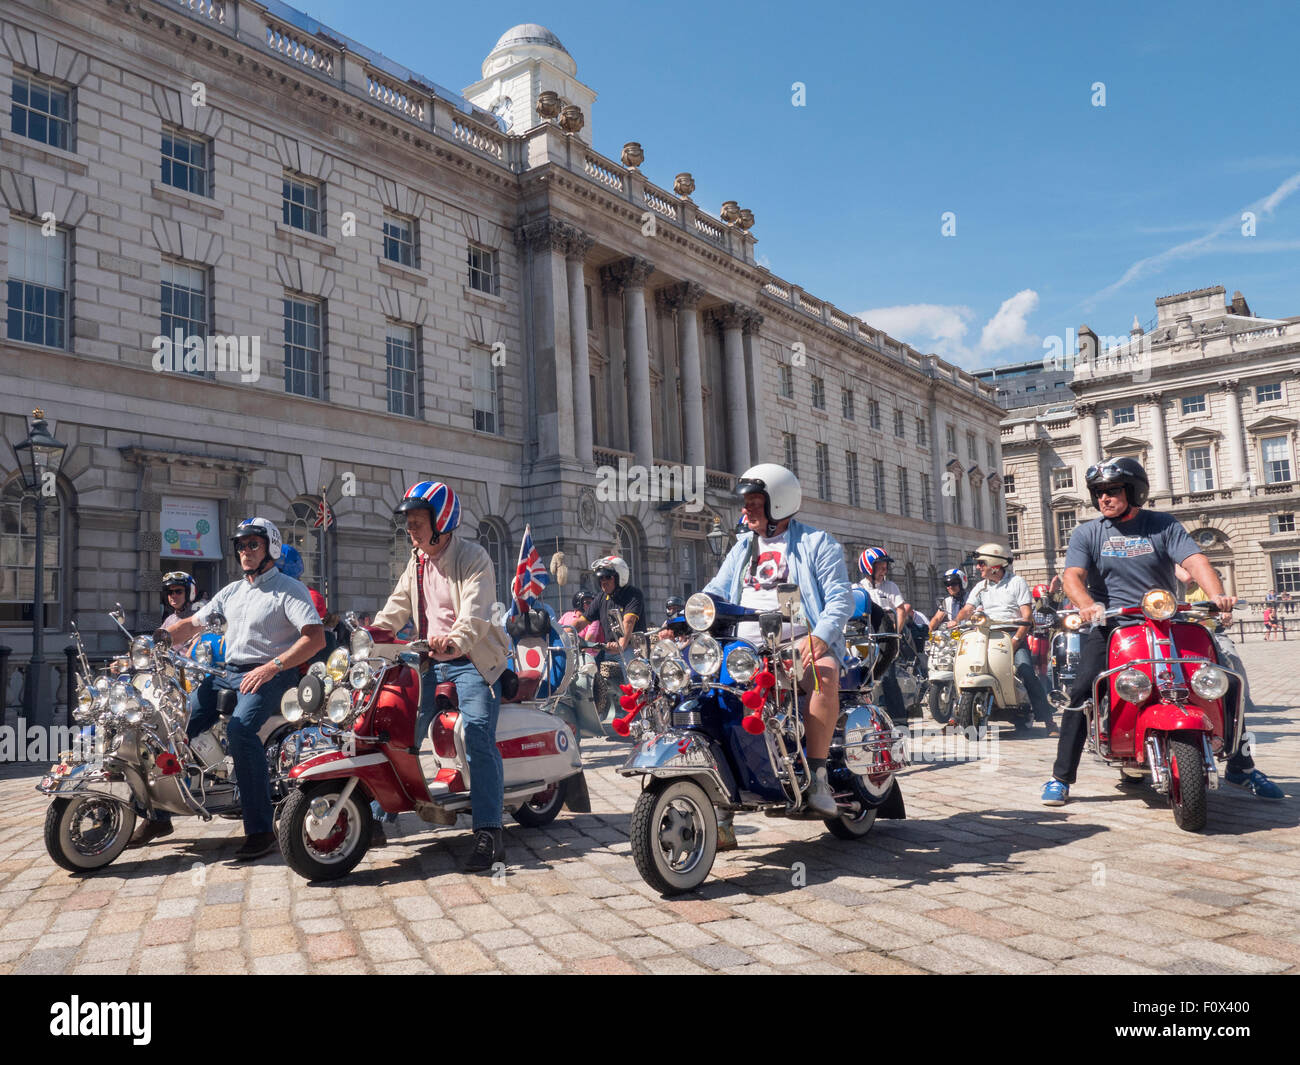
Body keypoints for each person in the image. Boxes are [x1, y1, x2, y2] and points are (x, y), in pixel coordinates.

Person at [1040, 458, 1280, 804]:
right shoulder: (1087, 533)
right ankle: (1061, 776)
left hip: (1169, 622)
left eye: (1112, 491)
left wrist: (1217, 597)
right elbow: (1072, 577)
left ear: (1134, 491)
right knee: (1082, 692)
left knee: (1225, 681)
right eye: (1099, 493)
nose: (1104, 498)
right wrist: (1087, 604)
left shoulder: (1163, 525)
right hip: (1113, 625)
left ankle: (1241, 767)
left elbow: (1194, 561)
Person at [152, 518, 324, 858]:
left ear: (270, 547)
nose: (245, 551)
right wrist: (155, 641)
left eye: (253, 545)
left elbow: (315, 637)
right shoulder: (232, 590)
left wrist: (272, 666)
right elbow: (191, 624)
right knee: (171, 723)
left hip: (273, 673)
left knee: (241, 730)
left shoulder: (289, 589)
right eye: (241, 546)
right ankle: (160, 814)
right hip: (226, 672)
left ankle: (261, 830)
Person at [370, 481, 512, 871]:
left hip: (472, 660)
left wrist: (453, 641)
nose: (411, 531)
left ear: (442, 521)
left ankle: (488, 832)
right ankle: (376, 816)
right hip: (429, 660)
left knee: (478, 733)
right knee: (393, 725)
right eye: (409, 524)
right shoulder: (417, 561)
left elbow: (477, 613)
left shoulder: (473, 557)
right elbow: (396, 608)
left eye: (417, 523)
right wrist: (370, 638)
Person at [702, 462, 853, 817]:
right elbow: (716, 591)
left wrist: (819, 637)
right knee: (706, 692)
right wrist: (685, 617)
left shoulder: (817, 543)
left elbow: (840, 600)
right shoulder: (742, 549)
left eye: (754, 501)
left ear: (779, 503)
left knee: (824, 675)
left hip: (796, 643)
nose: (746, 509)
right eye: (746, 503)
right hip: (743, 649)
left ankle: (817, 778)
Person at [1174, 564, 1282, 798]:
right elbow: (1186, 576)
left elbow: (1198, 573)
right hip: (1165, 629)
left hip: (1204, 633)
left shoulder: (1183, 550)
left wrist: (1223, 605)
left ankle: (1241, 765)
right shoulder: (1162, 557)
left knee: (1232, 680)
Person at [953, 543, 1056, 731]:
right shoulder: (980, 586)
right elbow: (968, 609)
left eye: (981, 563)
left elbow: (1026, 615)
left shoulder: (1016, 583)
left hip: (1012, 633)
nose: (978, 567)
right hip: (985, 634)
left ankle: (1048, 720)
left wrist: (1017, 639)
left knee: (1025, 670)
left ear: (994, 564)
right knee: (962, 665)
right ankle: (957, 713)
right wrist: (956, 620)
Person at [858, 547, 914, 723]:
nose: (885, 569)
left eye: (885, 566)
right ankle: (866, 717)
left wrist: (895, 633)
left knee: (889, 677)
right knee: (861, 676)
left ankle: (899, 719)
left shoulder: (891, 587)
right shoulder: (858, 589)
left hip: (885, 638)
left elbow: (900, 608)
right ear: (869, 567)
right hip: (863, 639)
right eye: (881, 565)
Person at [929, 568, 968, 632]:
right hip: (953, 634)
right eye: (947, 584)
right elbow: (937, 618)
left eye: (953, 583)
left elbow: (970, 610)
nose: (950, 587)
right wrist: (929, 630)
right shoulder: (947, 601)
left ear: (962, 583)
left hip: (970, 631)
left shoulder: (971, 598)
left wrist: (956, 621)